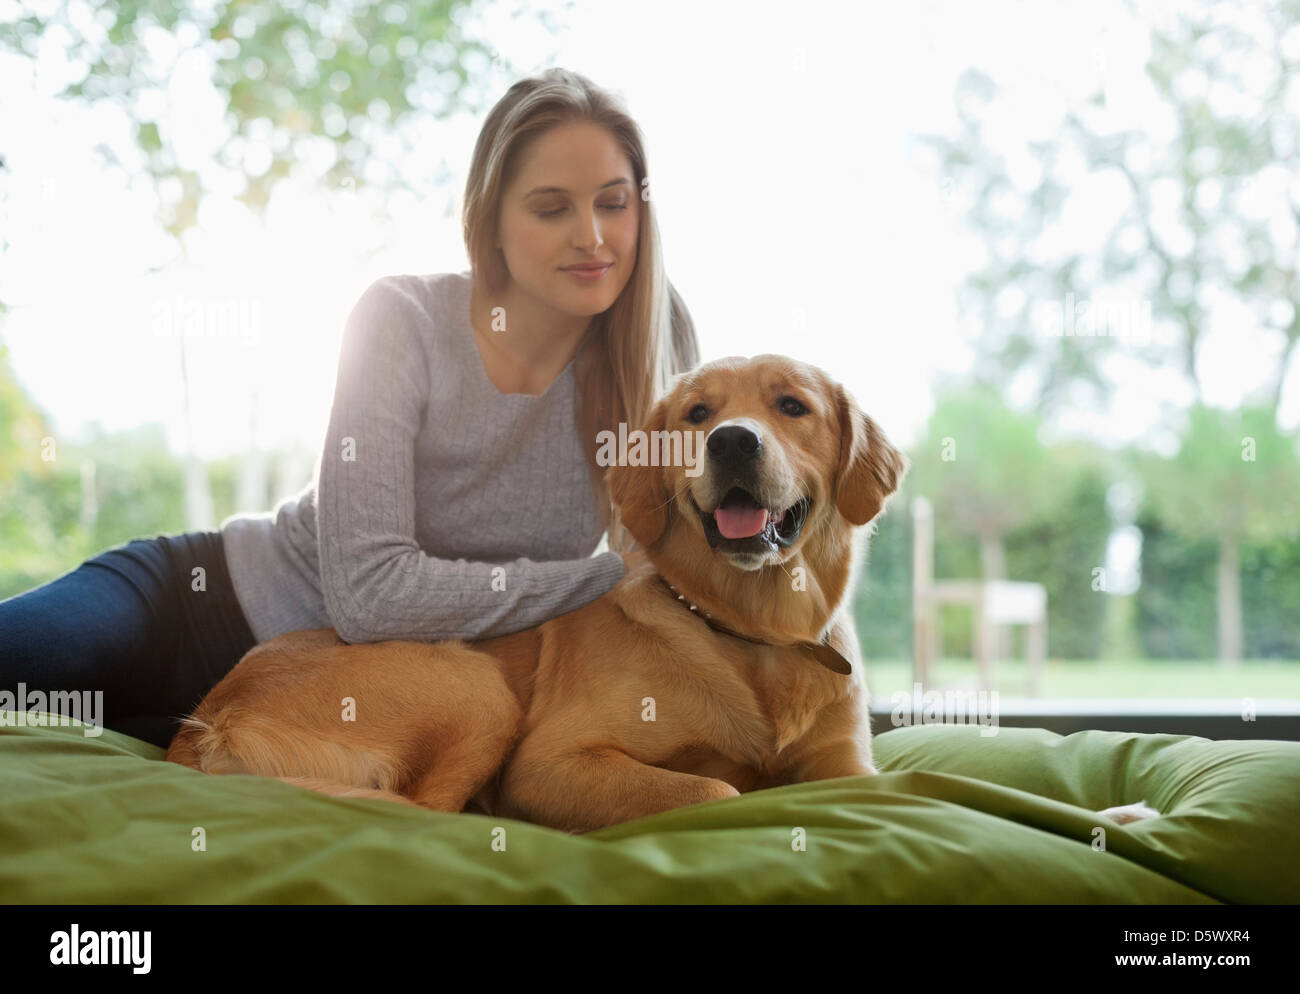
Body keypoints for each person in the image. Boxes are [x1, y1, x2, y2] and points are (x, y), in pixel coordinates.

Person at [0, 67, 700, 749]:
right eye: (552, 208)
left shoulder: (656, 340)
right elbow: (372, 595)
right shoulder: (402, 319)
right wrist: (607, 575)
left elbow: (685, 569)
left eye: (613, 203)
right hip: (197, 608)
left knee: (142, 743)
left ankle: (152, 733)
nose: (593, 237)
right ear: (490, 222)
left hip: (354, 702)